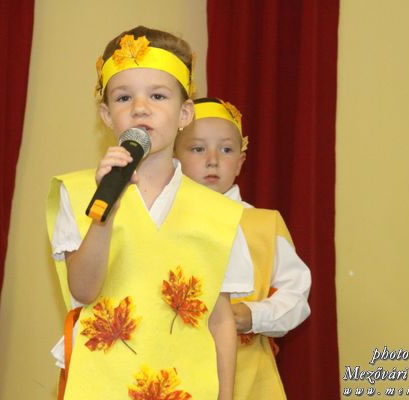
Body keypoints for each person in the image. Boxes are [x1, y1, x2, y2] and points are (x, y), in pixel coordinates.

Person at [46, 27, 254, 400]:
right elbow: (84, 290)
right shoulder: (79, 192)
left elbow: (221, 320)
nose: (140, 108)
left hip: (187, 387)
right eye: (124, 97)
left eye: (157, 95)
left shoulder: (219, 212)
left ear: (184, 113)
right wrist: (105, 212)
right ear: (107, 115)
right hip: (100, 385)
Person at [174, 97, 312, 399]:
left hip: (249, 378)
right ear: (174, 158)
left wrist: (254, 315)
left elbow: (296, 296)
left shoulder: (263, 225)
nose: (213, 160)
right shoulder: (161, 222)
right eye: (197, 149)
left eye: (226, 150)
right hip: (176, 371)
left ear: (240, 161)